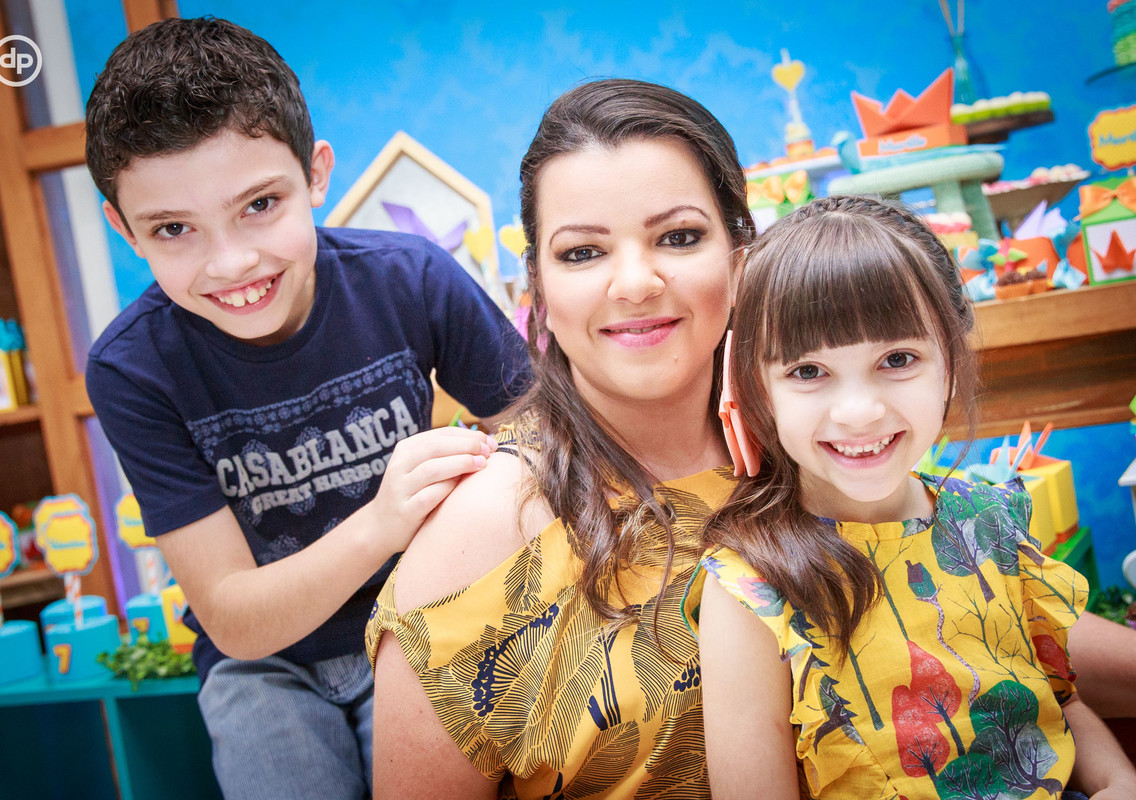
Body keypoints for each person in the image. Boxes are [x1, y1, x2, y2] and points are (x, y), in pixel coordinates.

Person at [83, 17, 529, 800]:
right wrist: (383, 523)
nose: (232, 262)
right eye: (174, 228)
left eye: (259, 204)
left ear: (315, 175)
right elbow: (234, 619)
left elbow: (550, 443)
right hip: (262, 669)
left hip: (421, 620)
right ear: (123, 229)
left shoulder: (412, 279)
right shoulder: (132, 368)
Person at [368, 78, 754, 798]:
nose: (635, 283)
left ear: (739, 257)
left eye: (678, 237)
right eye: (582, 252)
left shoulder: (816, 459)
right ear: (537, 287)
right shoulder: (485, 529)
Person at [686, 195, 1136, 799]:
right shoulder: (751, 587)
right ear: (756, 388)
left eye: (897, 359)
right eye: (808, 371)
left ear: (950, 359)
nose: (859, 411)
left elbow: (1057, 698)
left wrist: (1116, 779)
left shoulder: (990, 522)